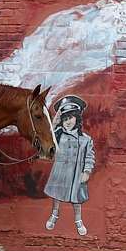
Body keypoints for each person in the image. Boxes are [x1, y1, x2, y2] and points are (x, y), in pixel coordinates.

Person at [43, 95, 95, 236]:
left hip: (76, 173)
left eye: (70, 118)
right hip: (60, 172)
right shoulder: (58, 135)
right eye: (65, 119)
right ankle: (54, 214)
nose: (67, 122)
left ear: (77, 118)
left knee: (76, 198)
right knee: (57, 195)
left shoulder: (85, 139)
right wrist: (54, 124)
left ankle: (78, 220)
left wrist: (87, 171)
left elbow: (89, 156)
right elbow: (47, 141)